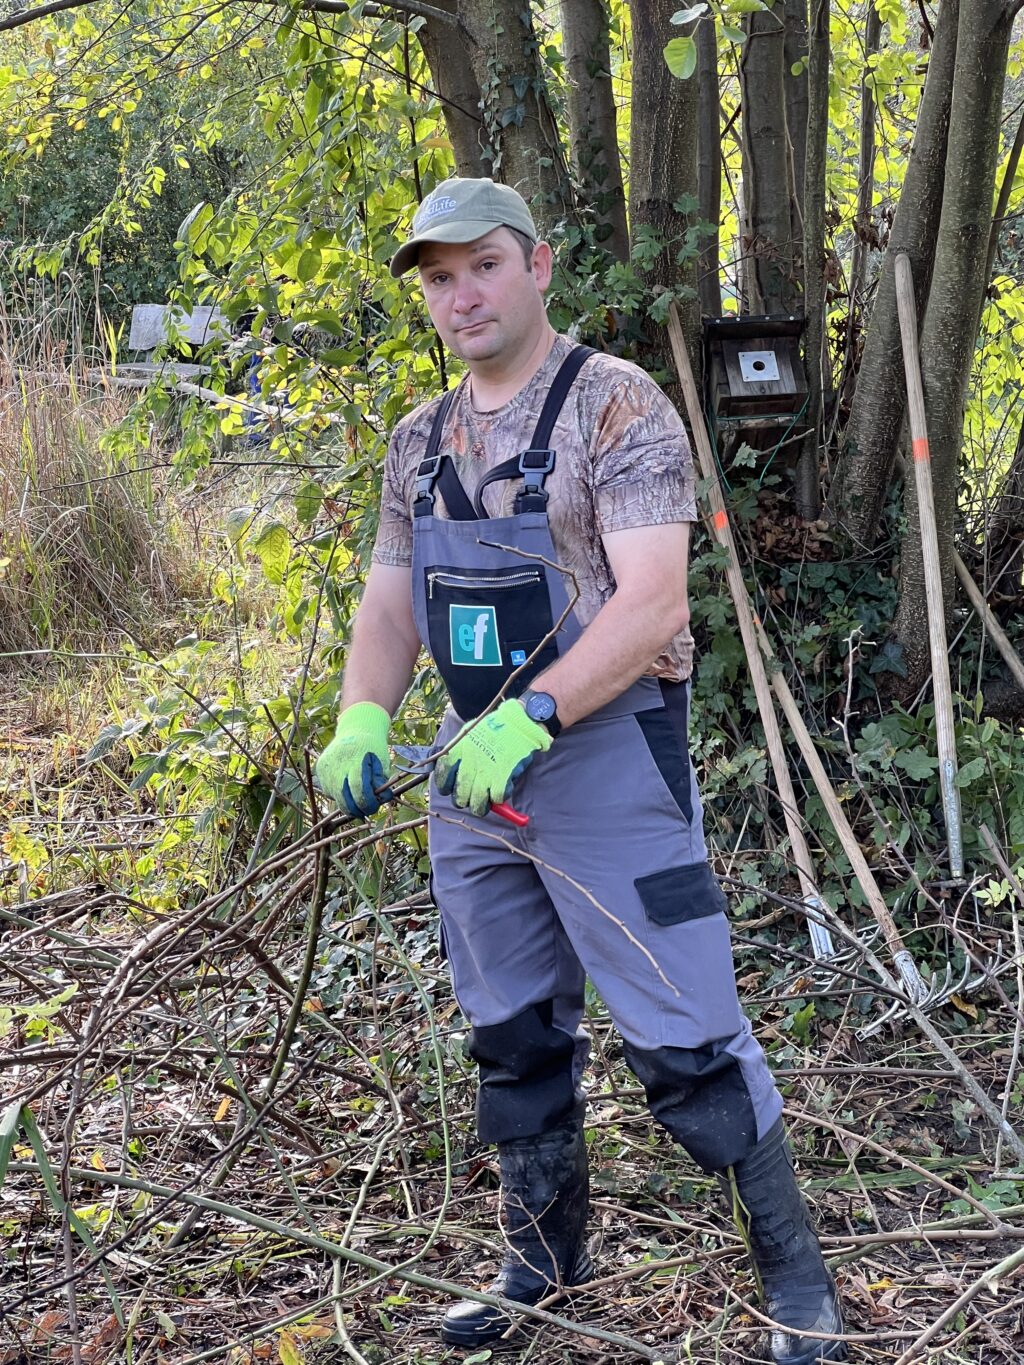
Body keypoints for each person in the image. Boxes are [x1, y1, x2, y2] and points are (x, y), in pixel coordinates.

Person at [314, 177, 846, 1365]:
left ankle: (796, 1281)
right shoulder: (419, 439)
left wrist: (539, 711)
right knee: (510, 1027)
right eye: (439, 279)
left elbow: (654, 598)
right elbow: (390, 607)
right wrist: (360, 718)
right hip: (471, 777)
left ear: (538, 265)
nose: (462, 297)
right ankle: (543, 1262)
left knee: (683, 1028)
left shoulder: (616, 405)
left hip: (606, 752)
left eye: (483, 267)